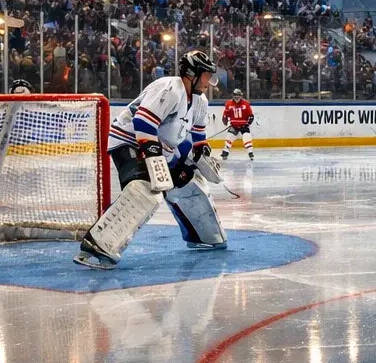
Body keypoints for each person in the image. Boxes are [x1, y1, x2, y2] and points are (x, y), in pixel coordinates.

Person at [74, 50, 223, 269]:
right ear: (192, 73)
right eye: (206, 76)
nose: (209, 81)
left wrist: (195, 157)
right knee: (146, 190)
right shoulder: (170, 88)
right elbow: (143, 123)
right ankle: (98, 244)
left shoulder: (200, 102)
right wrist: (154, 156)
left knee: (191, 185)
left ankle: (201, 237)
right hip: (130, 142)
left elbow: (194, 137)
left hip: (161, 148)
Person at [219, 88, 255, 160]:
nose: (237, 97)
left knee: (247, 137)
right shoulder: (228, 104)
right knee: (229, 137)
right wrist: (225, 120)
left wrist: (248, 124)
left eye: (238, 95)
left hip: (244, 125)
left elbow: (251, 116)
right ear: (233, 95)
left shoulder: (246, 103)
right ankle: (225, 152)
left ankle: (250, 152)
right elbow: (225, 114)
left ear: (241, 96)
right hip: (234, 125)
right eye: (235, 95)